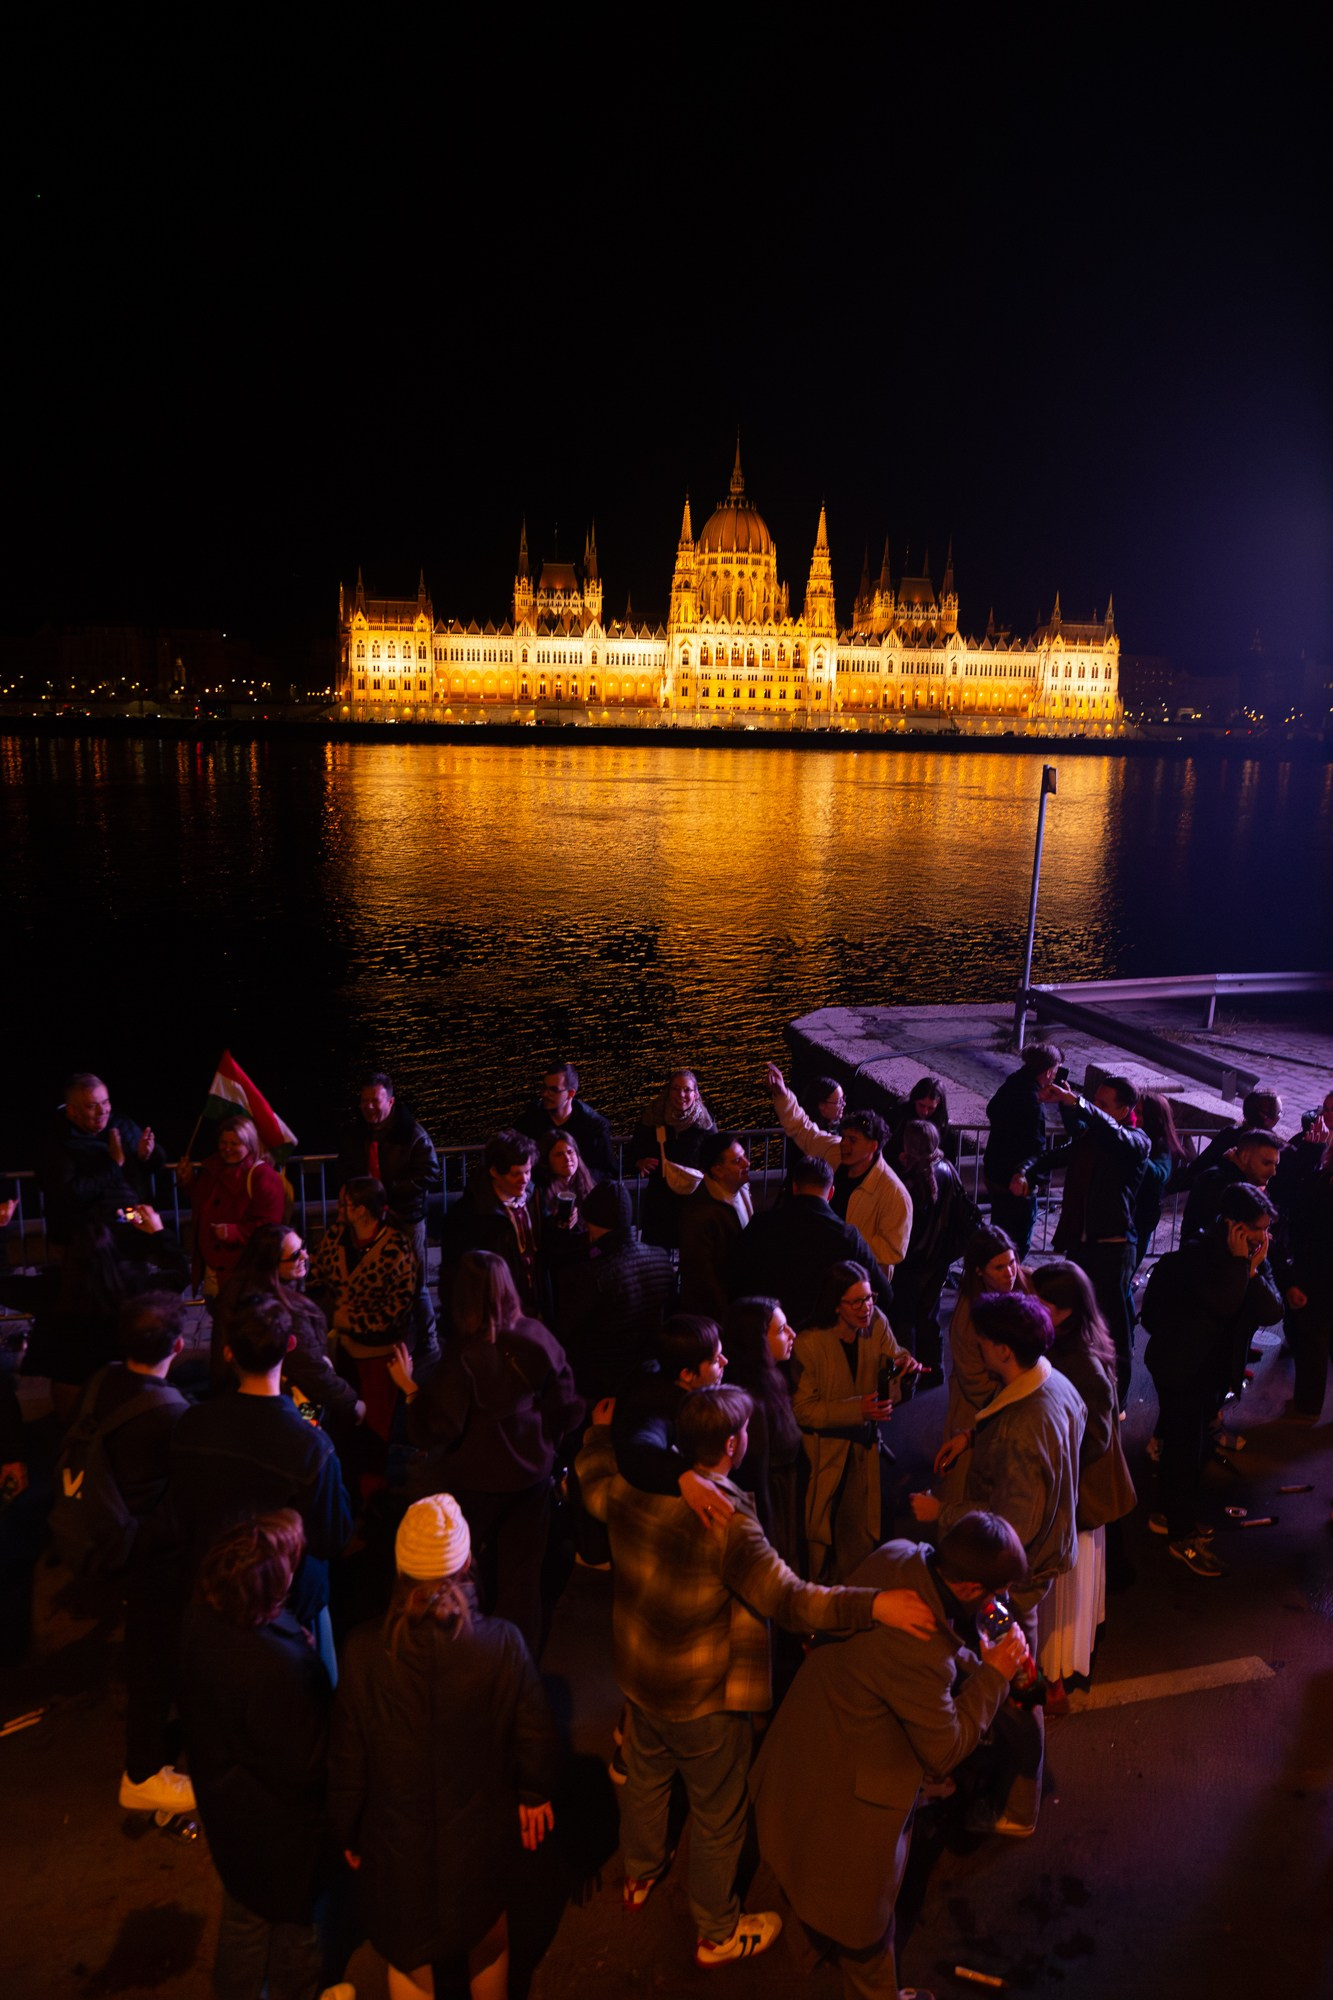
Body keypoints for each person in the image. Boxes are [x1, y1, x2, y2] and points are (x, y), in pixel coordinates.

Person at [576, 1384, 938, 1972]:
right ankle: (716, 1929)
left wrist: (596, 1434)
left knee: (645, 1778)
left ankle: (639, 1873)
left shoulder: (633, 1488)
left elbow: (590, 1482)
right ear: (731, 1444)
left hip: (641, 1679)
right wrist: (875, 1605)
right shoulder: (726, 1522)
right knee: (719, 1815)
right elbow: (793, 1600)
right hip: (704, 1697)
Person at [751, 1511, 1031, 1999]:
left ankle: (813, 1949)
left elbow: (933, 1650)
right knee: (868, 1940)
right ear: (967, 1587)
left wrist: (977, 1659)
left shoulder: (899, 1556)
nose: (1002, 1605)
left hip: (800, 1761)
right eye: (996, 1592)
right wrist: (995, 1677)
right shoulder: (918, 1652)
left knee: (804, 1877)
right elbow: (943, 1749)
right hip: (847, 1807)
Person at [330, 1493, 559, 2000]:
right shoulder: (501, 1644)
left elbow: (348, 1757)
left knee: (411, 1962)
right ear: (466, 1563)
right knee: (487, 1949)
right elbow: (535, 1730)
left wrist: (346, 1827)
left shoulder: (366, 1651)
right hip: (480, 1842)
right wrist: (534, 1792)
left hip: (394, 1849)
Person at [916, 1290, 1086, 1836]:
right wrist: (972, 1437)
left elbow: (1011, 1526)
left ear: (1004, 1352)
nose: (976, 1349)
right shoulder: (1052, 1384)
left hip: (1012, 1587)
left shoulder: (1020, 1430)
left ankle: (1021, 1802)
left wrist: (941, 1512)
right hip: (1041, 1564)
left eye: (983, 1342)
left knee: (1017, 1689)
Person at [389, 1250, 583, 1660]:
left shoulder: (460, 1360)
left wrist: (409, 1389)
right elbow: (567, 1404)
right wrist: (543, 1440)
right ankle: (516, 1663)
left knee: (469, 1568)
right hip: (531, 1476)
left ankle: (469, 1655)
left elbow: (437, 1427)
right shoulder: (538, 1336)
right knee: (522, 1578)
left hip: (476, 1483)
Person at [178, 1510, 337, 2000]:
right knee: (293, 1922)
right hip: (280, 1827)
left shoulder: (202, 1620)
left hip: (230, 1808)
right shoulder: (276, 1668)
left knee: (245, 1912)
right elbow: (306, 1763)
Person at [169, 1295, 353, 1655]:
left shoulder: (191, 1424)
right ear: (290, 1345)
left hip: (212, 1587)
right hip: (287, 1604)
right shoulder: (312, 1446)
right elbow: (333, 1536)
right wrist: (309, 1424)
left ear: (227, 1353)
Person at [69, 1291, 193, 1818]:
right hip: (152, 1557)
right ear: (180, 1346)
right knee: (153, 1663)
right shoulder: (169, 1414)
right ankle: (142, 1773)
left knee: (148, 1654)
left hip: (113, 1542)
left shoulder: (105, 1382)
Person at [1140, 1184, 1283, 1577]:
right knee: (1183, 1450)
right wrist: (1242, 1269)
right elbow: (1221, 1305)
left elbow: (1272, 1310)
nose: (1263, 1238)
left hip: (1210, 1371)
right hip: (1181, 1367)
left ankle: (1172, 1516)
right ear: (1236, 1227)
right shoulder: (1199, 1257)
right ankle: (1177, 1532)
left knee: (1195, 1445)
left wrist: (1251, 1270)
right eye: (1258, 1230)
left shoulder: (1251, 1260)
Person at [1029, 1262, 1135, 1693]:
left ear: (1065, 1311)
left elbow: (1095, 1438)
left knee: (1064, 1591)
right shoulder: (1064, 1346)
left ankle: (1058, 1672)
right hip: (1069, 1494)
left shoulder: (1081, 1364)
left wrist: (1044, 1456)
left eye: (1041, 1303)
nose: (1031, 1306)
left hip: (1076, 1497)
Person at [792, 1261, 920, 1582]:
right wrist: (856, 1410)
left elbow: (891, 1361)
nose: (866, 1308)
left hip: (863, 1452)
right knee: (819, 1539)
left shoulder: (875, 1323)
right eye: (856, 1302)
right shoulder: (810, 1344)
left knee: (861, 1537)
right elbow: (803, 1409)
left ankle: (855, 1609)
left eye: (869, 1298)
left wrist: (905, 1369)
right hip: (824, 1456)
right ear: (836, 1305)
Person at [1031, 1073, 1151, 1408]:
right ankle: (1075, 1389)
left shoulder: (1137, 1141)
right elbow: (1078, 1133)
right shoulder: (1093, 1137)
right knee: (1076, 1319)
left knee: (1115, 1327)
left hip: (1113, 1249)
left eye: (1103, 1104)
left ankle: (1119, 1401)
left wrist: (1077, 1103)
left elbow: (1110, 1133)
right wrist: (1026, 1170)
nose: (1095, 1108)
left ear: (1124, 1109)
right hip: (1082, 1245)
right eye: (1094, 1100)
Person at [20, 1205, 189, 1424]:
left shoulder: (49, 1288)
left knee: (74, 1427)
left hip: (69, 1386)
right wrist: (158, 1233)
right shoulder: (132, 1285)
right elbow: (179, 1275)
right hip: (122, 1381)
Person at [214, 1224, 363, 1443]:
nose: (305, 1255)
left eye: (303, 1246)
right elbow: (310, 1367)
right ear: (272, 1265)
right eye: (295, 1255)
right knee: (312, 1443)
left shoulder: (239, 1290)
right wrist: (351, 1401)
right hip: (291, 1403)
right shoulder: (282, 1310)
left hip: (241, 1403)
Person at [307, 1176, 418, 1471]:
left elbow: (397, 1312)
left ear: (363, 1209)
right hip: (341, 1353)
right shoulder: (335, 1237)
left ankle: (373, 1496)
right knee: (344, 1427)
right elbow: (316, 1282)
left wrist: (348, 1320)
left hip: (380, 1360)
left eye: (346, 1203)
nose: (339, 1207)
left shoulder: (396, 1248)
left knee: (375, 1432)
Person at [336, 1071, 441, 1373]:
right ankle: (390, 1341)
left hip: (405, 1219)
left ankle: (429, 1343)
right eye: (364, 1101)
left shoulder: (412, 1134)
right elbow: (344, 1170)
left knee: (416, 1285)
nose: (369, 1107)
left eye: (375, 1101)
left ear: (391, 1101)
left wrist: (391, 1190)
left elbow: (430, 1172)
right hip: (369, 1221)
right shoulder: (355, 1134)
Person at [765, 1067, 912, 1278]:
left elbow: (893, 1250)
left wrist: (843, 1240)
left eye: (853, 1140)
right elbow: (802, 1128)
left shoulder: (894, 1193)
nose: (844, 1145)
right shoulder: (834, 1152)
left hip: (858, 1283)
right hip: (822, 1269)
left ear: (872, 1146)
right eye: (844, 1138)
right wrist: (781, 1093)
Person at [730, 1154, 892, 1327]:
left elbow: (734, 1278)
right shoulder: (848, 1237)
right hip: (824, 1338)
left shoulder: (761, 1225)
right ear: (831, 1192)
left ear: (794, 1187)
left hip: (768, 1330)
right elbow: (884, 1293)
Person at [554, 1179, 676, 1402]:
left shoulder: (593, 1274)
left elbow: (569, 1333)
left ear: (591, 1220)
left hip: (601, 1382)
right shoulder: (660, 1257)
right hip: (648, 1371)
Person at [36, 1072, 165, 1247]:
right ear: (72, 1110)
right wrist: (114, 1164)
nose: (102, 1111)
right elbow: (69, 1194)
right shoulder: (56, 1141)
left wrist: (147, 1155)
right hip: (86, 1241)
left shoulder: (120, 1123)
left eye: (106, 1102)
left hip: (132, 1231)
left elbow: (151, 1167)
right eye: (92, 1106)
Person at [719, 1297, 802, 1567]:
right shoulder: (753, 1401)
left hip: (785, 1497)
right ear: (756, 1343)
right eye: (780, 1330)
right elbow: (757, 1480)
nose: (792, 1334)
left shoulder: (773, 1380)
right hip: (775, 1509)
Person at [891, 1119, 980, 1368]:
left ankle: (905, 1377)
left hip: (911, 1262)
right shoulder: (947, 1168)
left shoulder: (909, 1181)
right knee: (929, 1317)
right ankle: (934, 1370)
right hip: (939, 1259)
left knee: (904, 1320)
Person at [943, 1225, 1032, 1468]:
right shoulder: (967, 1320)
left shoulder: (1026, 1282)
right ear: (979, 1272)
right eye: (999, 1267)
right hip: (979, 1411)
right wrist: (1022, 1395)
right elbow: (976, 1384)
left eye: (1012, 1262)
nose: (1010, 1273)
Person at [176, 1115, 286, 1301]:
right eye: (223, 1142)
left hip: (245, 1268)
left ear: (250, 1143)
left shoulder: (263, 1176)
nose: (227, 1148)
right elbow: (202, 1200)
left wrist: (235, 1232)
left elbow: (270, 1225)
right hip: (214, 1269)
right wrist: (187, 1182)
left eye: (234, 1143)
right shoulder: (212, 1169)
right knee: (219, 1316)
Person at [439, 1130, 544, 1322]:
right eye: (516, 1174)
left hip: (532, 1307)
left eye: (528, 1171)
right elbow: (456, 1274)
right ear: (494, 1171)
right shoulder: (468, 1214)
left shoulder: (534, 1198)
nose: (524, 1180)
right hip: (496, 1315)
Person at [981, 1043, 1063, 1257]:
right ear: (1047, 1072)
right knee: (1018, 1241)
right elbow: (1035, 1147)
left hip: (994, 1171)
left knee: (998, 1231)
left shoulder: (1013, 1083)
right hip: (1017, 1183)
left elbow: (992, 1109)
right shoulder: (1033, 1103)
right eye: (1055, 1071)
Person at [630, 1069, 717, 1250]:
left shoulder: (705, 1123)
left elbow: (715, 1155)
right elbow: (634, 1148)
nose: (681, 1095)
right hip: (660, 1199)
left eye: (687, 1090)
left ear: (696, 1094)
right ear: (668, 1091)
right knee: (656, 1254)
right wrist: (639, 1161)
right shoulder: (653, 1117)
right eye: (675, 1089)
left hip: (693, 1199)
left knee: (692, 1252)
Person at [1280, 1129, 1333, 1421]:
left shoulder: (1321, 1185)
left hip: (1317, 1271)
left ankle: (1308, 1405)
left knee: (1313, 1339)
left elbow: (1297, 1211)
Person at [677, 1131, 753, 1320]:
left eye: (744, 1155)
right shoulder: (700, 1214)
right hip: (719, 1315)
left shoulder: (740, 1192)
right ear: (717, 1170)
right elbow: (703, 1278)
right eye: (737, 1161)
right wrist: (726, 1318)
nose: (747, 1163)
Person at [514, 1062, 616, 1182]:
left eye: (553, 1090)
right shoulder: (531, 1119)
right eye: (544, 1088)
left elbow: (609, 1170)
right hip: (541, 1191)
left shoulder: (593, 1125)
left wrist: (576, 1178)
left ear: (571, 1093)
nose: (545, 1094)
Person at [1180, 1128, 1283, 1242]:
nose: (1273, 1172)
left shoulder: (1237, 1180)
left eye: (1275, 1165)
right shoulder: (1217, 1183)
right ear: (1244, 1157)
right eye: (1266, 1163)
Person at [1134, 1091, 1195, 1270]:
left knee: (1125, 1273)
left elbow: (1159, 1175)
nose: (1135, 1116)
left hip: (1144, 1211)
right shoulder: (1138, 1134)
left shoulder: (1160, 1144)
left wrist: (1138, 1152)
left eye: (1139, 1112)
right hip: (1132, 1209)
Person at [534, 1128, 594, 1280]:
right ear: (546, 1160)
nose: (567, 1159)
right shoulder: (539, 1192)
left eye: (570, 1152)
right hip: (558, 1265)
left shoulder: (586, 1183)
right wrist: (557, 1223)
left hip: (585, 1260)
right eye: (558, 1154)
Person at [889, 1074, 954, 1161]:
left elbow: (951, 1157)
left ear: (938, 1104)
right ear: (914, 1100)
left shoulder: (943, 1124)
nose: (925, 1112)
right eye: (921, 1105)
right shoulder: (900, 1114)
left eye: (931, 1108)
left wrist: (940, 1153)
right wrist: (899, 1156)